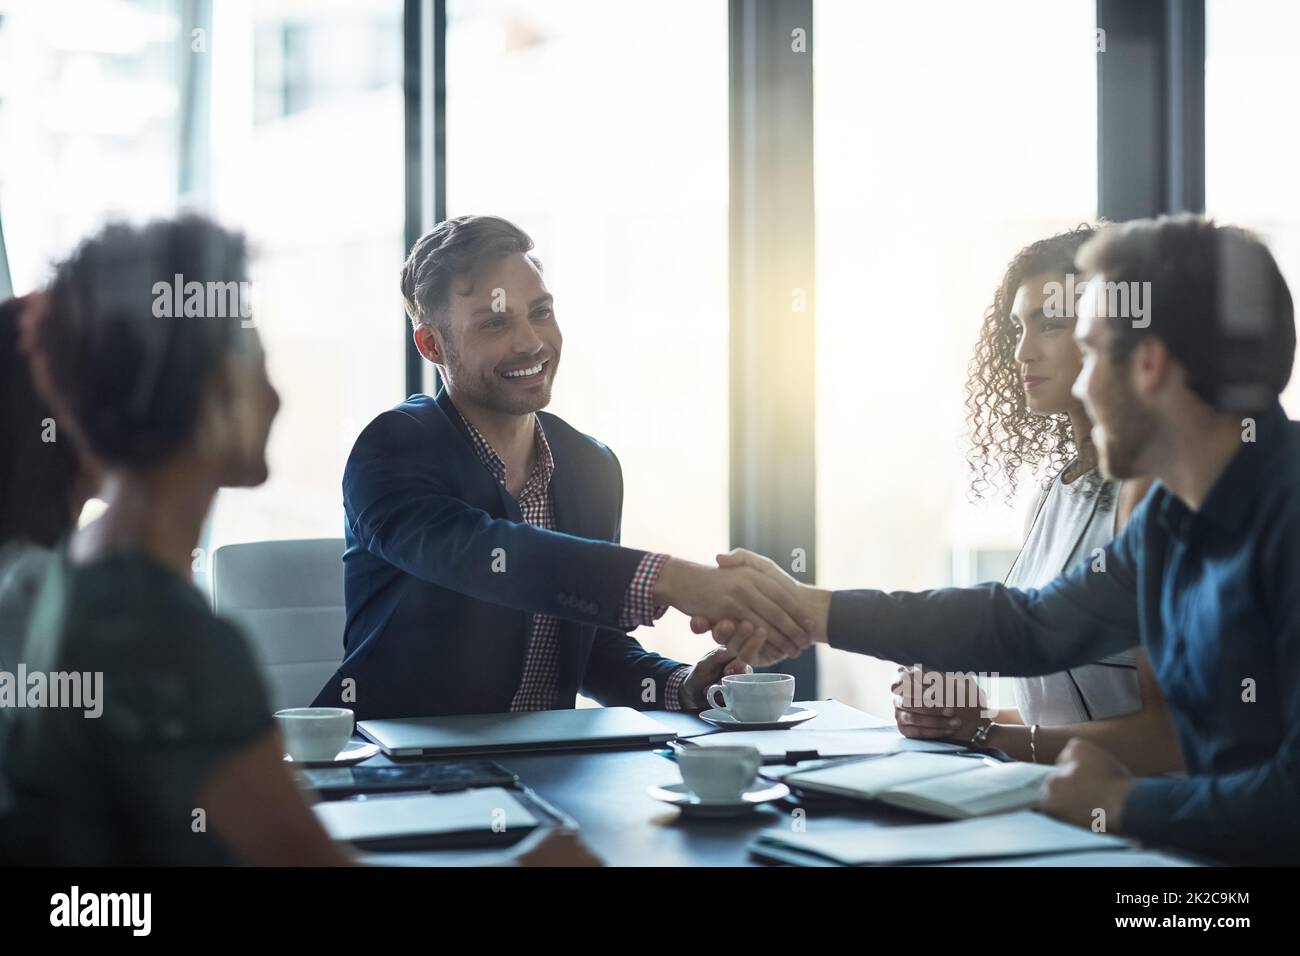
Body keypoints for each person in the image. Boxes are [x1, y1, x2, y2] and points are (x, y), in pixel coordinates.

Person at [697, 216, 1300, 864]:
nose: (1085, 389)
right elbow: (1029, 628)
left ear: (1149, 366)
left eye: (1092, 352)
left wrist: (1124, 805)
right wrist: (806, 608)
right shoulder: (1171, 519)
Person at [0, 216, 598, 866]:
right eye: (255, 363)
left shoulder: (54, 584)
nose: (277, 395)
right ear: (207, 396)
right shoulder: (163, 635)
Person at [313, 215, 811, 720]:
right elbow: (485, 555)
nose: (530, 342)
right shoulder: (393, 447)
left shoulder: (590, 466)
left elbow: (592, 650)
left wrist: (682, 685)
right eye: (494, 322)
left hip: (545, 768)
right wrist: (671, 580)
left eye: (541, 312)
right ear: (432, 346)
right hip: (395, 774)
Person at [891, 226, 1181, 776]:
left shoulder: (1152, 495)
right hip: (1054, 805)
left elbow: (1167, 741)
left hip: (1135, 831)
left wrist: (987, 733)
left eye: (1051, 326)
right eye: (1018, 328)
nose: (1024, 352)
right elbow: (1055, 718)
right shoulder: (1058, 492)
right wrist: (960, 720)